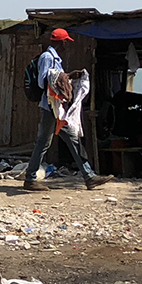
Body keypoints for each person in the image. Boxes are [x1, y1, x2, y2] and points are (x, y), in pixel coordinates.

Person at [24, 28, 112, 191]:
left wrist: (70, 76)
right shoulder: (47, 57)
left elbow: (54, 79)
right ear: (61, 41)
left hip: (55, 107)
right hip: (51, 106)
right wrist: (66, 76)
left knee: (58, 140)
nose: (66, 45)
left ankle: (88, 176)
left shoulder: (53, 58)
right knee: (56, 141)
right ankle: (32, 179)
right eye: (66, 42)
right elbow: (44, 82)